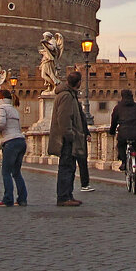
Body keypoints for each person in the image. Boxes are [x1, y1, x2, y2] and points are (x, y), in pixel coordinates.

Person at [48, 70, 87, 207]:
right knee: (66, 167)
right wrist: (69, 135)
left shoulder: (69, 95)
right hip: (65, 139)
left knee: (70, 167)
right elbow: (64, 118)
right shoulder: (66, 96)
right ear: (79, 83)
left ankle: (68, 195)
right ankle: (63, 197)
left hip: (69, 138)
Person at [0, 89, 27, 207]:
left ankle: (8, 199)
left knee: (6, 172)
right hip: (20, 141)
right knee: (16, 172)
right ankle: (22, 199)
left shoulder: (1, 108)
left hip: (10, 142)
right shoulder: (13, 109)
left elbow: (0, 124)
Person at [110, 89, 136, 187]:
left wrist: (112, 132)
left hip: (124, 132)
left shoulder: (118, 108)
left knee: (121, 145)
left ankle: (123, 162)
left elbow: (113, 122)